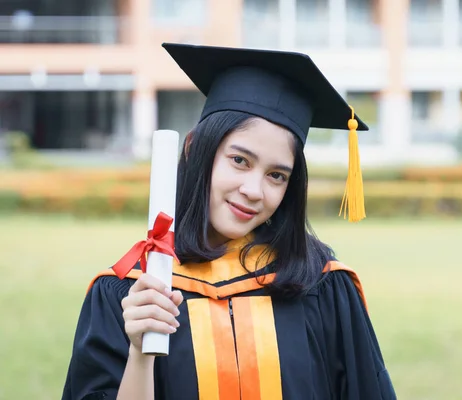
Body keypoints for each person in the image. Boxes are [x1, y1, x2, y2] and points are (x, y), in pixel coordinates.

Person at [61, 43, 396, 400]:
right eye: (239, 160)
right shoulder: (131, 291)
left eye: (277, 175)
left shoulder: (321, 285)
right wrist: (140, 354)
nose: (254, 190)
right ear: (195, 149)